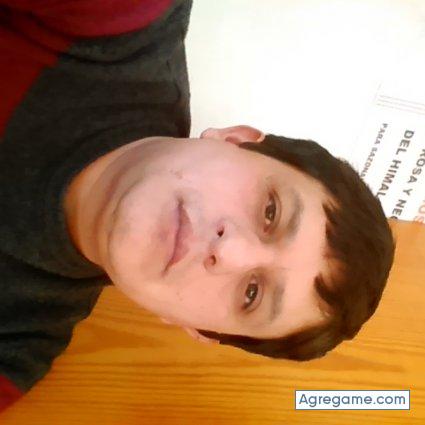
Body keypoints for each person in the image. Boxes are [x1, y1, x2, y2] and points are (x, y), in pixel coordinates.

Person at [0, 0, 396, 412]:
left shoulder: (17, 345)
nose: (229, 252)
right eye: (271, 212)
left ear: (195, 328)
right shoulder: (122, 19)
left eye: (252, 294)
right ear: (235, 139)